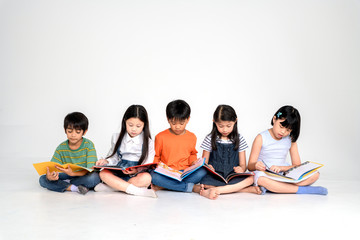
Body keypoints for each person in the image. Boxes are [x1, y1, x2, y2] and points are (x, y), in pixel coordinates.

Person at [247, 105, 328, 195]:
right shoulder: (261, 138)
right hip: (265, 174)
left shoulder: (290, 140)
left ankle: (277, 188)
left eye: (288, 130)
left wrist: (281, 168)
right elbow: (250, 166)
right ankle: (302, 190)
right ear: (274, 119)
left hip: (283, 173)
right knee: (261, 180)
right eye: (281, 126)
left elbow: (297, 166)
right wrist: (256, 165)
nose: (283, 132)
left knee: (315, 174)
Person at [199, 105, 261, 200]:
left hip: (233, 175)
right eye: (221, 126)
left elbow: (243, 165)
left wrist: (241, 169)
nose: (225, 130)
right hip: (216, 175)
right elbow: (204, 162)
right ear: (214, 122)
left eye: (228, 126)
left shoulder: (239, 139)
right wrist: (208, 167)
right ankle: (242, 190)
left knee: (251, 178)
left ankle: (218, 190)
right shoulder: (210, 138)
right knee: (204, 183)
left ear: (235, 122)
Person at [94, 105, 157, 198]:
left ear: (144, 125)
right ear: (125, 122)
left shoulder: (148, 142)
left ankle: (114, 187)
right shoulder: (117, 137)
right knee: (103, 173)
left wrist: (137, 170)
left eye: (138, 126)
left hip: (136, 173)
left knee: (147, 178)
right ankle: (136, 190)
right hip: (120, 169)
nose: (134, 129)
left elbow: (148, 162)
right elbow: (114, 156)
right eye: (130, 125)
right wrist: (106, 161)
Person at [150, 99, 207, 193]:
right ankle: (191, 188)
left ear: (188, 119)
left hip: (185, 172)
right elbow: (156, 156)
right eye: (173, 123)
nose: (177, 127)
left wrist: (194, 163)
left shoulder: (192, 136)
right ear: (168, 119)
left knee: (203, 172)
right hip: (167, 173)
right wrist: (156, 167)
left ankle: (166, 186)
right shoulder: (160, 137)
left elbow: (192, 154)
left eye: (181, 123)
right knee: (153, 176)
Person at [39, 112, 101, 194]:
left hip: (83, 175)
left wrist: (73, 173)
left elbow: (90, 169)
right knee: (42, 179)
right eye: (70, 131)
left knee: (94, 178)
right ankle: (74, 188)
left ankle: (64, 183)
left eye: (78, 132)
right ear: (65, 130)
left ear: (84, 132)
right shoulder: (61, 147)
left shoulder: (88, 145)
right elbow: (53, 167)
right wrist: (51, 176)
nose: (73, 135)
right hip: (66, 174)